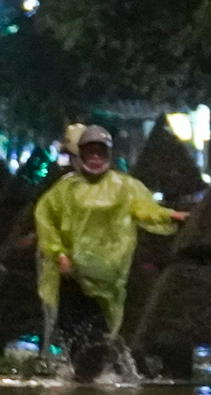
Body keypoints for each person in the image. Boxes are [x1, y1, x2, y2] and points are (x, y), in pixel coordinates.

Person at [34, 125, 186, 377]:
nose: (95, 158)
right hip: (71, 277)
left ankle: (97, 381)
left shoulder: (126, 187)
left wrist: (170, 215)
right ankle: (84, 384)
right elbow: (45, 221)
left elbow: (146, 209)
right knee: (72, 328)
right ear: (80, 154)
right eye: (89, 152)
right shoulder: (63, 190)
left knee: (100, 334)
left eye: (100, 152)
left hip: (108, 281)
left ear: (109, 155)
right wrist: (59, 253)